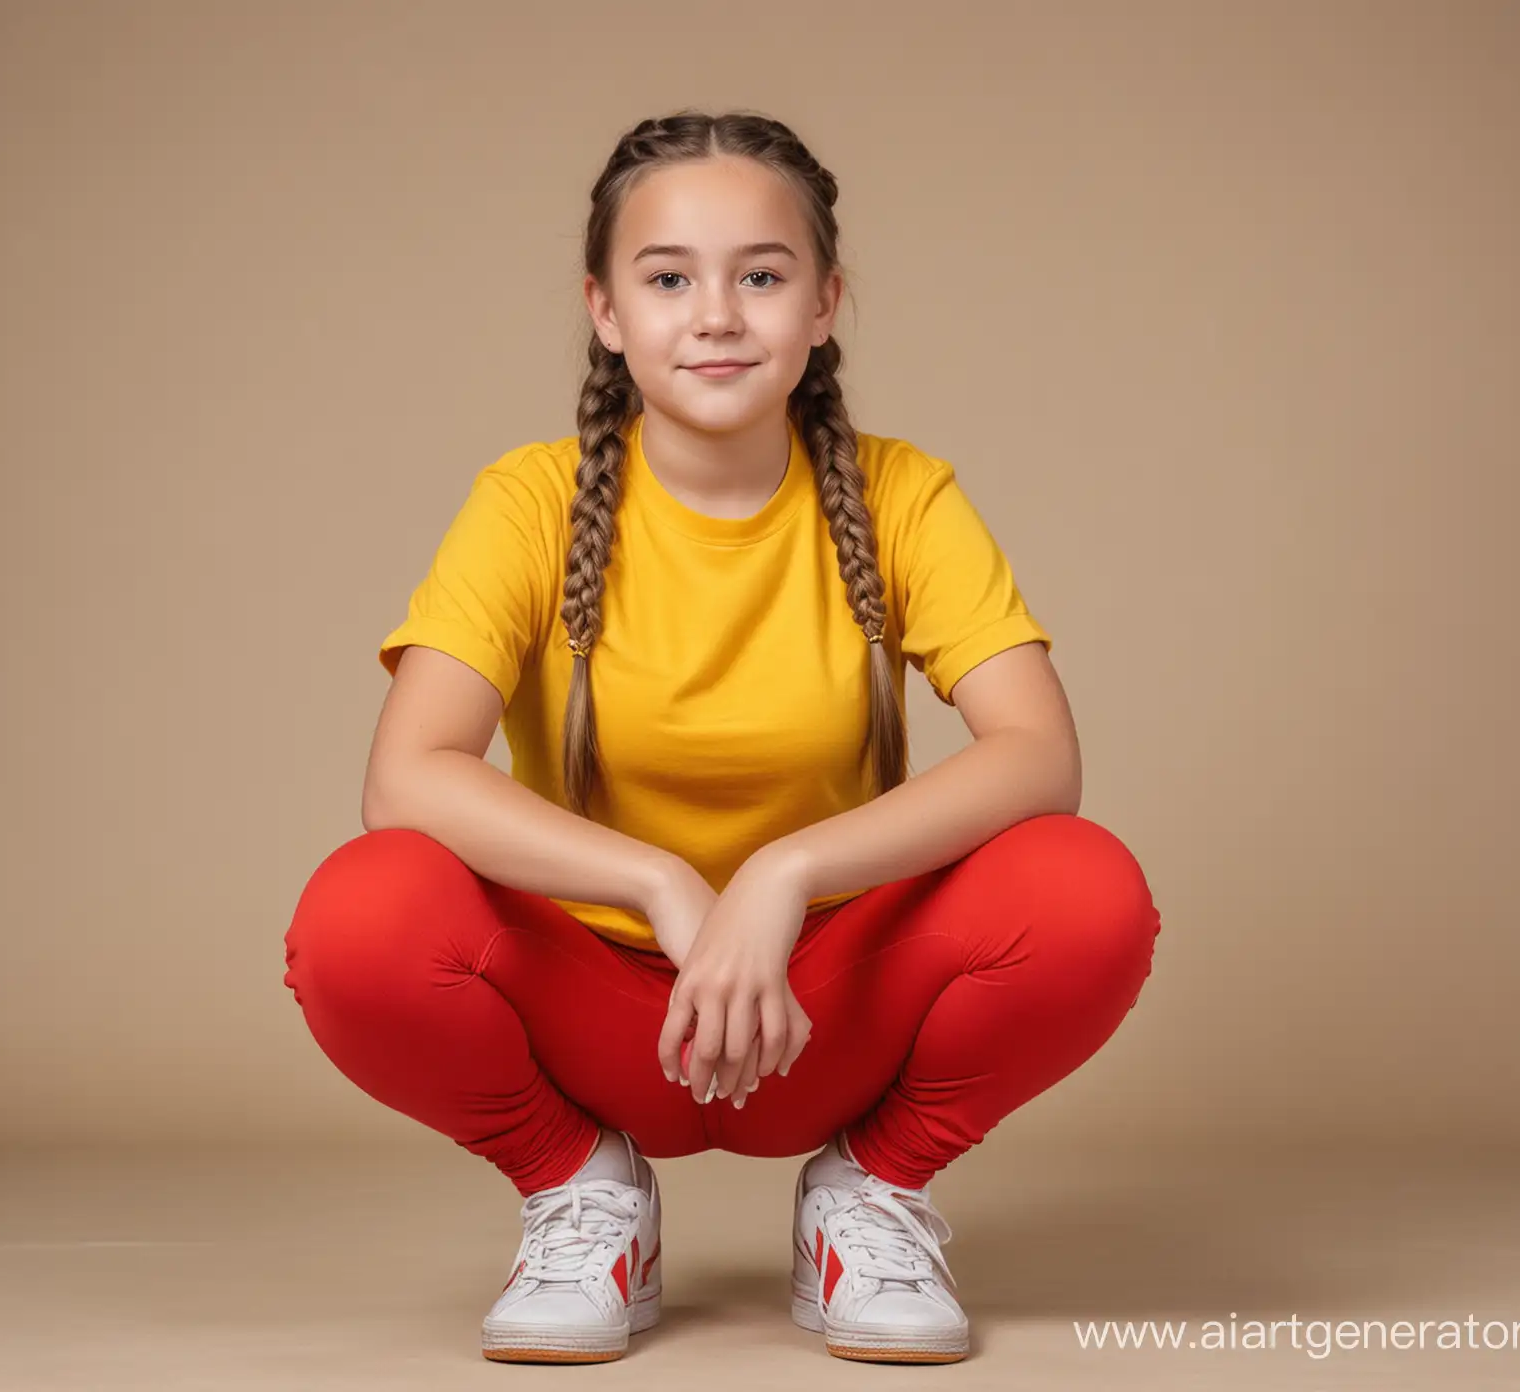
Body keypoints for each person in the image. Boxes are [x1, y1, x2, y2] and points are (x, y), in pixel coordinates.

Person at [282, 109, 1162, 1366]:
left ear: (823, 305)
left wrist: (783, 875)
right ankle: (582, 1194)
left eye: (761, 275)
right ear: (604, 310)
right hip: (608, 1023)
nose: (716, 314)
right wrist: (660, 883)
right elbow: (405, 776)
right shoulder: (526, 502)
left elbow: (1039, 754)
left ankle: (870, 1199)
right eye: (668, 278)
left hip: (822, 1013)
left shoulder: (903, 493)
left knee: (1088, 891)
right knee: (360, 912)